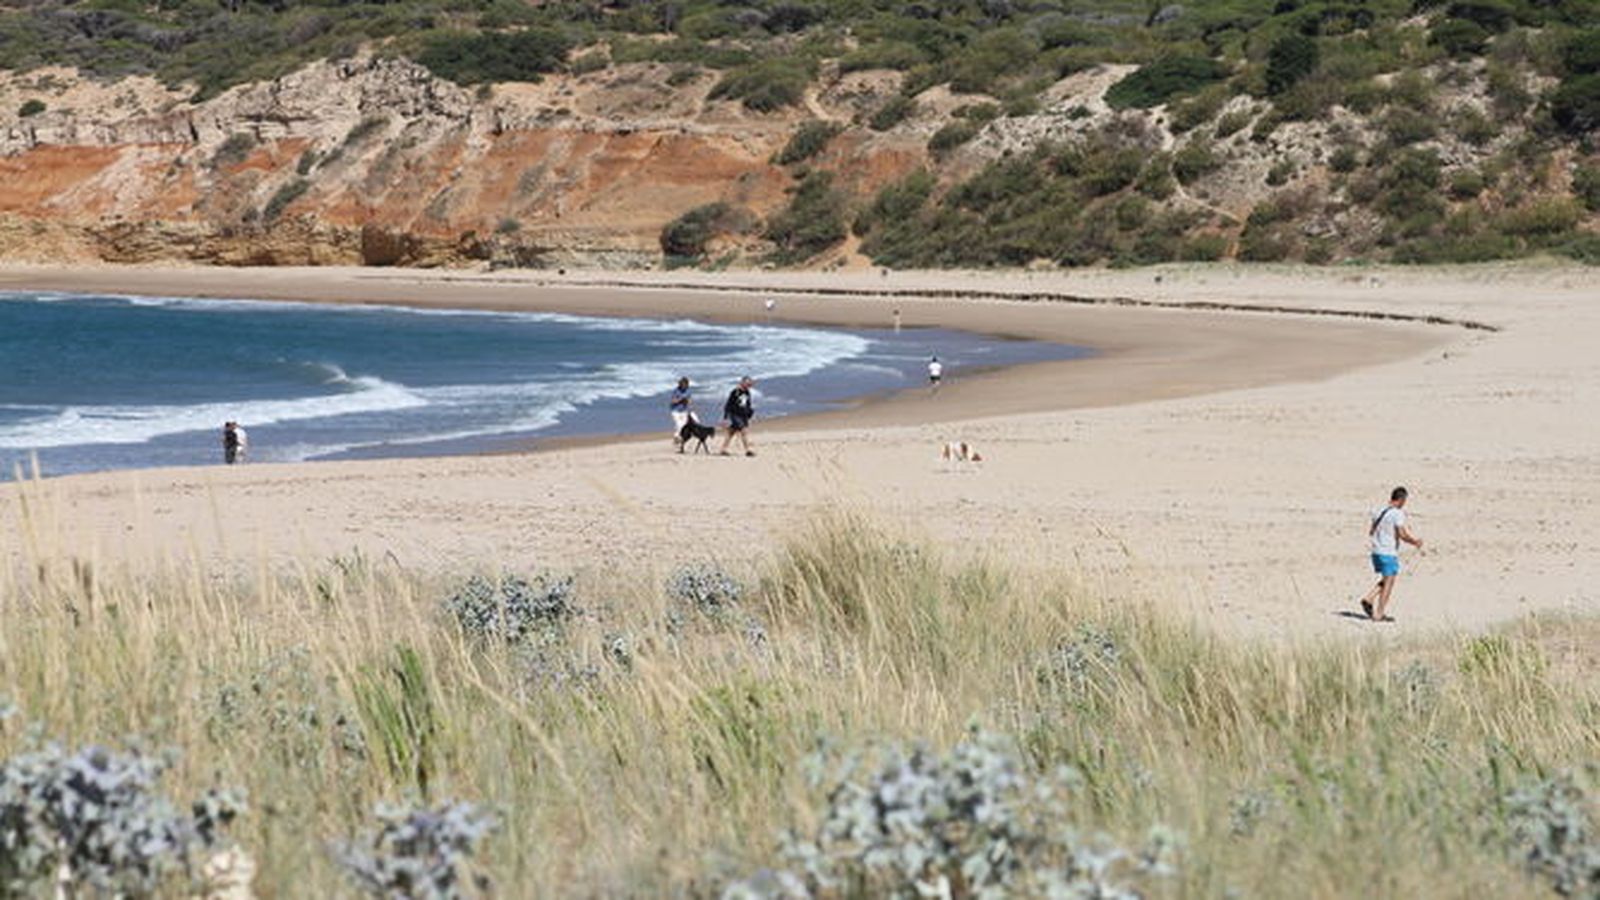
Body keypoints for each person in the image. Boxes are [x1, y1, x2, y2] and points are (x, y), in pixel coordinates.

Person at [1359, 486, 1424, 622]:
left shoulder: (1378, 510)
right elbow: (1402, 534)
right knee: (1389, 583)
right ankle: (1379, 614)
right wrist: (1415, 542)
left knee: (1387, 579)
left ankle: (1369, 598)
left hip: (1376, 551)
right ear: (1401, 499)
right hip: (1388, 552)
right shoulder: (1397, 513)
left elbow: (1371, 531)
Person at [718, 375, 756, 457]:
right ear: (742, 383)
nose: (749, 386)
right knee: (744, 431)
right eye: (747, 383)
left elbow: (748, 404)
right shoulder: (735, 392)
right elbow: (728, 404)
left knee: (731, 432)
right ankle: (748, 450)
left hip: (743, 415)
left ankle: (723, 449)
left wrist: (750, 414)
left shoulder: (747, 393)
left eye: (750, 384)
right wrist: (725, 417)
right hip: (735, 414)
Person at [669, 377, 694, 450]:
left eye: (686, 385)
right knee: (678, 424)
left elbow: (690, 401)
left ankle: (677, 438)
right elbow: (673, 401)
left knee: (683, 425)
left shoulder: (688, 391)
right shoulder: (676, 391)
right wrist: (680, 400)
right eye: (683, 385)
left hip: (684, 410)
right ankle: (677, 438)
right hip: (675, 410)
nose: (684, 386)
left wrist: (687, 402)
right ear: (680, 384)